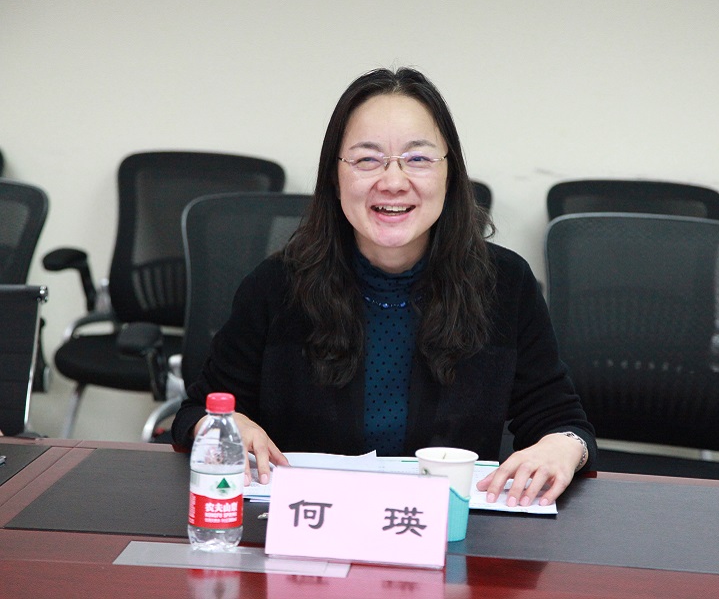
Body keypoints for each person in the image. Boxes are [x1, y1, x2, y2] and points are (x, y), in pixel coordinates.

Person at [172, 67, 596, 508]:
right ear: (334, 177)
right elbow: (197, 411)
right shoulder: (276, 286)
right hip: (308, 531)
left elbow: (561, 421)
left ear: (450, 174)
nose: (393, 182)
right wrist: (221, 426)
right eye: (367, 160)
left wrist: (563, 446)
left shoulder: (505, 285)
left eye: (418, 159)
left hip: (451, 535)